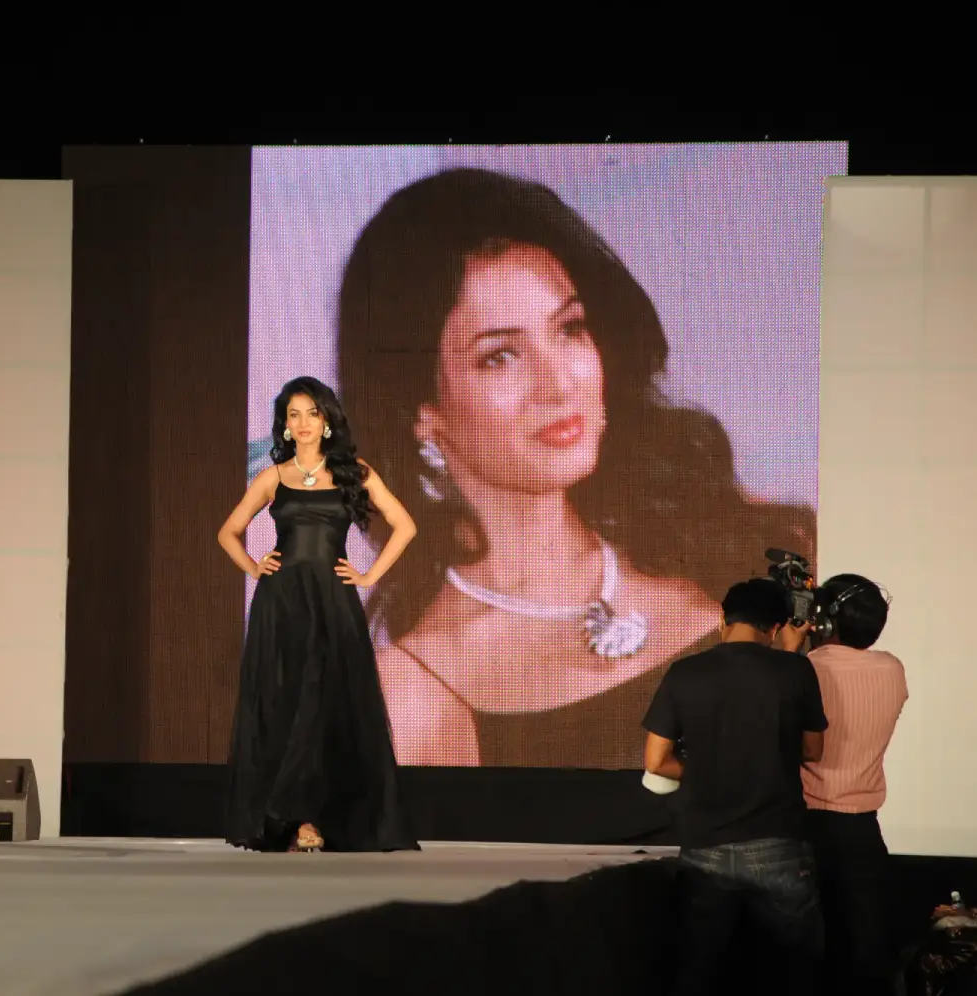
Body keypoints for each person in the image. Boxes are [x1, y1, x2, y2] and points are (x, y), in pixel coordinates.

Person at [331, 167, 814, 768]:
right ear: (419, 410)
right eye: (499, 356)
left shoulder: (748, 543)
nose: (559, 385)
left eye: (570, 328)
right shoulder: (412, 693)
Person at [217, 376, 420, 853]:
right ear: (285, 425)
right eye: (294, 415)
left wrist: (369, 578)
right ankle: (294, 820)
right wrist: (254, 567)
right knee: (286, 703)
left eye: (312, 413)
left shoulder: (353, 472)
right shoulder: (273, 477)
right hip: (281, 603)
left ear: (327, 420)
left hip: (331, 600)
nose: (303, 423)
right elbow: (228, 532)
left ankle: (315, 815)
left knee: (324, 704)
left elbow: (405, 525)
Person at [640, 578, 827, 995]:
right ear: (776, 627)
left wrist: (708, 769)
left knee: (699, 970)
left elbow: (656, 761)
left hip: (704, 845)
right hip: (779, 842)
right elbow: (813, 750)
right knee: (792, 972)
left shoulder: (685, 672)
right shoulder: (796, 669)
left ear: (722, 618)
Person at [800, 574, 907, 995]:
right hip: (863, 832)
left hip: (806, 828)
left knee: (803, 957)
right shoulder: (892, 668)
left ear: (825, 621)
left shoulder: (805, 668)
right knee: (860, 957)